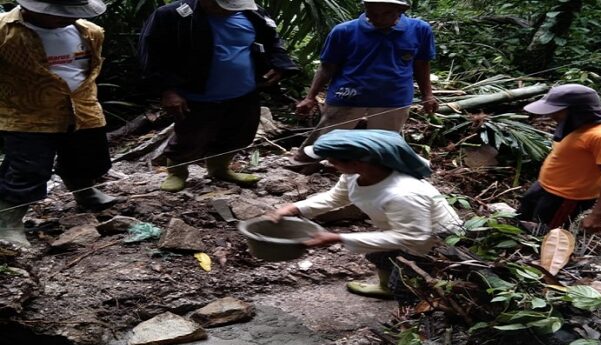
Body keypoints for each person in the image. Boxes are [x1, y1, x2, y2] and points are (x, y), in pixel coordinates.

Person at [270, 129, 462, 299]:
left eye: (333, 160)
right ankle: (384, 287)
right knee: (378, 255)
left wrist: (338, 237)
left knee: (407, 284)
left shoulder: (403, 194)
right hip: (404, 229)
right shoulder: (354, 175)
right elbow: (335, 198)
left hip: (433, 240)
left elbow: (413, 238)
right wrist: (295, 208)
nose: (329, 163)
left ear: (357, 163)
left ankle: (415, 314)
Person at [139, 0, 299, 192]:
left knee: (238, 134)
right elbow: (152, 54)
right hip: (197, 94)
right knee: (189, 138)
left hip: (244, 91)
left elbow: (272, 41)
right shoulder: (172, 15)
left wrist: (279, 65)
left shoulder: (252, 13)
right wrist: (168, 90)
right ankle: (177, 172)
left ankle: (219, 168)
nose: (228, 10)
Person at [0, 0, 117, 247]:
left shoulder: (90, 31)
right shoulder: (5, 31)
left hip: (82, 109)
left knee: (88, 158)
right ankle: (8, 221)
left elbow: (88, 69)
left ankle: (84, 191)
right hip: (28, 114)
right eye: (58, 12)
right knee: (27, 170)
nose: (66, 17)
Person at [291, 0, 438, 164]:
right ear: (366, 9)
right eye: (373, 14)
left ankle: (367, 175)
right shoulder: (344, 31)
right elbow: (327, 67)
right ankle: (303, 163)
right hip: (348, 93)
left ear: (400, 11)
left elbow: (422, 64)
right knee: (326, 135)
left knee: (383, 143)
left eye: (386, 14)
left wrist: (428, 95)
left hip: (394, 97)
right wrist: (310, 97)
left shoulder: (419, 30)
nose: (378, 19)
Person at [518, 84, 601, 233]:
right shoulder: (575, 125)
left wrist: (599, 214)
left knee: (547, 233)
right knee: (522, 219)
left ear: (577, 111)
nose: (551, 115)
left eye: (556, 111)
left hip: (567, 198)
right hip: (546, 186)